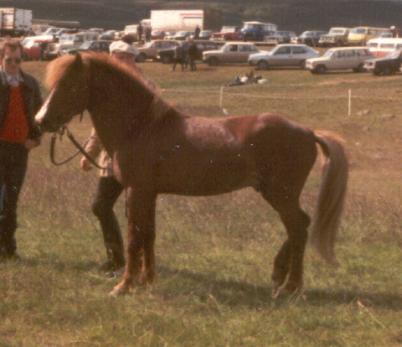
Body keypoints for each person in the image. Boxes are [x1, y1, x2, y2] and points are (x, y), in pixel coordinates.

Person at [80, 41, 140, 273]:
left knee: (135, 212)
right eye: (116, 56)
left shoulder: (145, 87)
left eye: (125, 57)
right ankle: (115, 259)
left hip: (139, 162)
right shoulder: (108, 88)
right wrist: (90, 152)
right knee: (100, 206)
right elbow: (99, 127)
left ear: (133, 59)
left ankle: (139, 262)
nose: (120, 61)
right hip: (111, 161)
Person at [0, 39, 42, 260]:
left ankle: (8, 248)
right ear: (1, 58)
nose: (14, 64)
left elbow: (40, 117)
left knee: (11, 201)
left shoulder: (31, 84)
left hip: (19, 150)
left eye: (18, 60)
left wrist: (35, 140)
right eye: (9, 60)